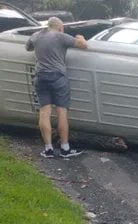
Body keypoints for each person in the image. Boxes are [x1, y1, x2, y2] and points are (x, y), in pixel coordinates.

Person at [25, 17, 87, 158]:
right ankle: (65, 148)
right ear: (60, 27)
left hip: (40, 77)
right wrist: (82, 37)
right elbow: (84, 45)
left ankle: (48, 149)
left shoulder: (36, 35)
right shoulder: (61, 36)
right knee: (61, 112)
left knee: (44, 112)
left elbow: (28, 47)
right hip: (58, 77)